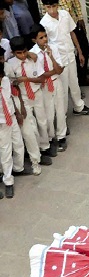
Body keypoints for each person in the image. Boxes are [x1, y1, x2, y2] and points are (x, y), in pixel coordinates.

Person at [40, 0, 89, 114]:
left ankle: (78, 107)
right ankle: (63, 115)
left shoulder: (65, 15)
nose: (52, 10)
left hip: (70, 54)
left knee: (74, 82)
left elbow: (72, 33)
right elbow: (45, 44)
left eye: (54, 6)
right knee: (63, 88)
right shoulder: (44, 23)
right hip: (58, 60)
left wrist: (79, 52)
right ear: (44, 7)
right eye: (48, 7)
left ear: (58, 5)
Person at [5, 35, 50, 172]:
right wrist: (20, 106)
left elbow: (41, 78)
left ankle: (44, 147)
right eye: (19, 53)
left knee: (42, 121)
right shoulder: (10, 65)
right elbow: (12, 86)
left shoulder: (32, 58)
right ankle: (35, 160)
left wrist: (26, 79)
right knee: (30, 130)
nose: (23, 55)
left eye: (24, 51)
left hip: (36, 93)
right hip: (23, 98)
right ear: (13, 53)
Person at [29, 24, 66, 153]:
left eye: (45, 36)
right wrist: (52, 71)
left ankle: (61, 136)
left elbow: (59, 70)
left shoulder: (53, 48)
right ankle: (50, 137)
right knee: (48, 113)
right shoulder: (33, 54)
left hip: (56, 82)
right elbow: (40, 75)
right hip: (43, 85)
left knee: (60, 109)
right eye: (41, 37)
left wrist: (51, 57)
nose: (45, 39)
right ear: (34, 40)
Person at [0, 61, 24, 198]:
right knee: (6, 151)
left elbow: (9, 98)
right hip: (2, 123)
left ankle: (18, 168)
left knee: (18, 143)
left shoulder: (5, 81)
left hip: (11, 117)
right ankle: (8, 181)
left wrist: (17, 113)